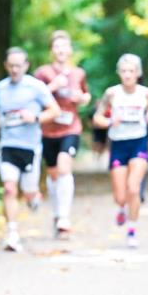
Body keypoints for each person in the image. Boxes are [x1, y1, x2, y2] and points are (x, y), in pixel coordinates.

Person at [0, 48, 61, 253]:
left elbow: (55, 111)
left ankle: (33, 197)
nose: (15, 70)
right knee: (9, 188)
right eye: (11, 66)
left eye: (19, 66)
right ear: (6, 66)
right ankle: (12, 233)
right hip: (7, 146)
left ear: (26, 66)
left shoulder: (36, 87)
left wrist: (35, 118)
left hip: (30, 147)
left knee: (28, 192)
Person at [92, 54, 148, 248]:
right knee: (120, 196)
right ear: (119, 73)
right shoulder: (112, 93)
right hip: (118, 145)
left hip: (138, 143)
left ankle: (132, 230)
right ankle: (122, 208)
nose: (127, 75)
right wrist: (108, 122)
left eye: (131, 71)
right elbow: (96, 118)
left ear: (138, 73)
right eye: (123, 71)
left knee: (134, 188)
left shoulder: (146, 93)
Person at [33, 31, 91, 239]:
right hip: (48, 129)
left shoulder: (78, 73)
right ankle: (57, 215)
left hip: (71, 128)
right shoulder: (43, 72)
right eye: (57, 47)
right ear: (52, 51)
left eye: (64, 46)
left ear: (70, 50)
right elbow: (33, 97)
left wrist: (81, 98)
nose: (61, 50)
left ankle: (64, 218)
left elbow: (86, 95)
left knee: (64, 167)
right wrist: (52, 87)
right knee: (54, 174)